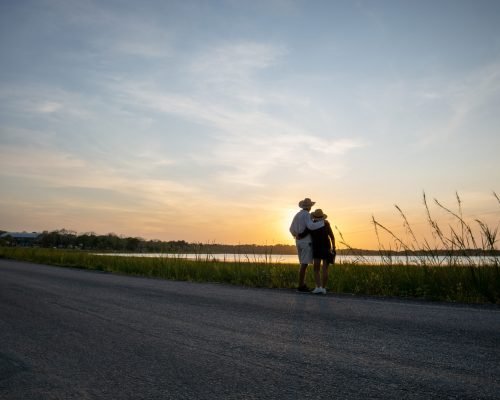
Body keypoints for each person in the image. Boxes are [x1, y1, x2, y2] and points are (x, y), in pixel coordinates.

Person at [289, 198, 325, 292]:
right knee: (304, 264)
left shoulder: (297, 214)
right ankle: (301, 286)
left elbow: (291, 229)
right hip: (306, 241)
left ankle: (302, 284)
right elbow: (310, 226)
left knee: (302, 263)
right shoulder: (307, 215)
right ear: (309, 207)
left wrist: (296, 236)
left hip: (298, 241)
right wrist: (321, 223)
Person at [304, 209, 336, 295]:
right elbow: (332, 236)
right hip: (326, 247)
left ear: (314, 217)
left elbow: (305, 233)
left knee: (316, 269)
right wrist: (334, 247)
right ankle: (324, 288)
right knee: (325, 269)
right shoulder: (326, 223)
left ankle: (318, 287)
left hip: (317, 248)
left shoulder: (312, 224)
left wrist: (298, 235)